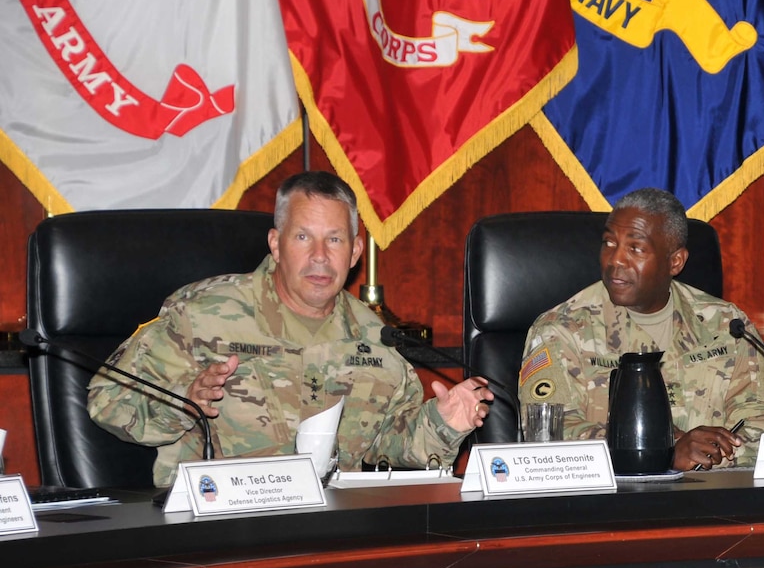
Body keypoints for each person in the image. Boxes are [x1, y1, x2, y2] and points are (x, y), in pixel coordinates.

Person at [87, 171, 493, 487]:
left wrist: (442, 422)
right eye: (303, 237)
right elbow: (105, 401)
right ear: (276, 244)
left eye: (334, 240)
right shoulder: (200, 314)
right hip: (214, 529)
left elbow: (390, 444)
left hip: (331, 533)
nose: (319, 257)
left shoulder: (377, 337)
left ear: (354, 252)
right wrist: (184, 400)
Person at [517, 188, 764, 469]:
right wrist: (664, 451)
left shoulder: (726, 324)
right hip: (608, 505)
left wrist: (706, 457)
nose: (615, 261)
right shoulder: (561, 328)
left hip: (712, 500)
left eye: (635, 249)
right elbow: (547, 435)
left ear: (675, 262)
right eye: (609, 243)